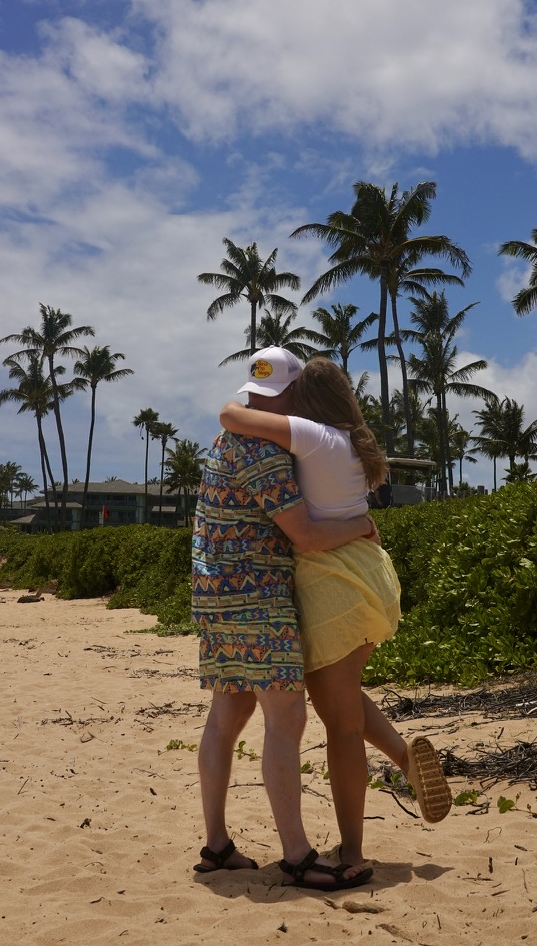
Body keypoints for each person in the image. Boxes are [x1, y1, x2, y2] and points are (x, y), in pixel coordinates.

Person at [220, 356, 452, 868]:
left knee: (340, 724)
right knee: (342, 698)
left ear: (306, 399)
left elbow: (231, 417)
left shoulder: (312, 435)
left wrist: (252, 403)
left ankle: (351, 850)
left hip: (333, 585)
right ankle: (406, 760)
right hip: (368, 574)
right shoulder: (350, 441)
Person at [192, 347, 376, 891]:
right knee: (286, 719)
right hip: (255, 591)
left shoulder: (226, 438)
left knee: (228, 712)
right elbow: (309, 536)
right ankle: (296, 855)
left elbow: (230, 414)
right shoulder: (266, 452)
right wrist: (362, 526)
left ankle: (217, 845)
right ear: (295, 394)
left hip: (211, 587)